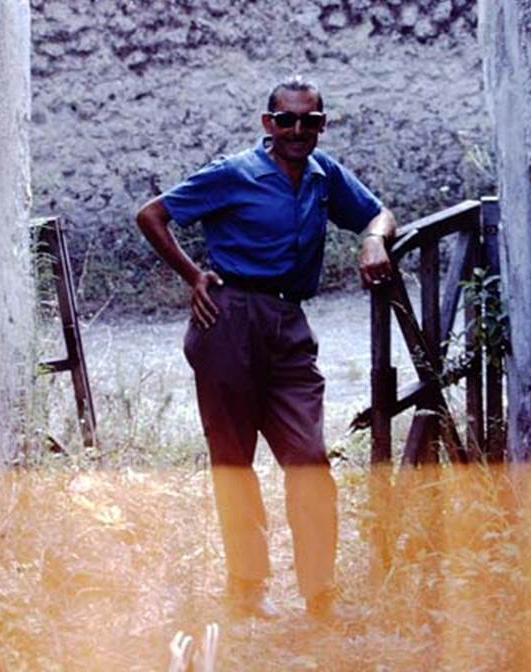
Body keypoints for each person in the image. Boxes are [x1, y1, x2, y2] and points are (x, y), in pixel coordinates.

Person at [136, 76, 395, 622]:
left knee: (308, 459)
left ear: (322, 125)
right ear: (267, 123)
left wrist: (373, 238)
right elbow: (152, 214)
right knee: (234, 460)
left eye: (309, 120)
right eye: (286, 120)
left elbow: (378, 213)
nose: (297, 130)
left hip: (290, 327)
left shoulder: (324, 176)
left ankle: (320, 593)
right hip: (228, 320)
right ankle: (248, 587)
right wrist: (193, 275)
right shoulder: (234, 172)